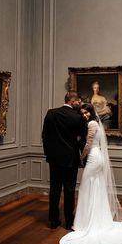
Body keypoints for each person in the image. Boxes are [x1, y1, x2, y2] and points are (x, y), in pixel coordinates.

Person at [60, 103, 122, 244]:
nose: (85, 115)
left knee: (85, 187)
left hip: (93, 158)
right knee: (95, 187)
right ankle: (98, 220)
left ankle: (85, 224)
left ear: (91, 112)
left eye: (87, 112)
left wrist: (80, 157)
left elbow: (89, 144)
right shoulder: (96, 122)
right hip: (98, 157)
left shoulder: (91, 124)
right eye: (83, 113)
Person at [42, 91, 86, 230]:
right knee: (69, 190)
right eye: (77, 101)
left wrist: (48, 154)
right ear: (72, 101)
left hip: (54, 158)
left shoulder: (51, 113)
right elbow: (81, 139)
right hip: (70, 158)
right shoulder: (77, 117)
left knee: (54, 189)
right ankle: (69, 222)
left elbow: (45, 136)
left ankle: (53, 221)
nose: (78, 104)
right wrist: (81, 157)